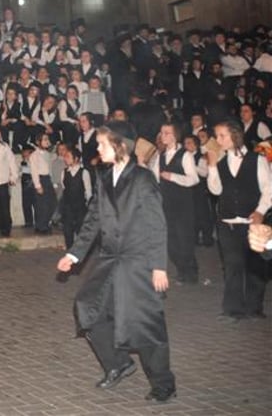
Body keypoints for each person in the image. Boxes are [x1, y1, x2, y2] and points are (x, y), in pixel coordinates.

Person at [56, 121, 176, 404]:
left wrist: (159, 266)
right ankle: (118, 363)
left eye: (102, 144)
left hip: (138, 262)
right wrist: (73, 254)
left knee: (145, 324)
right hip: (109, 259)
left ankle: (163, 384)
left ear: (119, 146)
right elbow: (93, 220)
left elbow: (157, 225)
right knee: (88, 308)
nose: (97, 148)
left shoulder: (143, 179)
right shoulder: (104, 177)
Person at [205, 119, 271, 322]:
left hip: (251, 223)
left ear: (235, 135)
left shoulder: (256, 159)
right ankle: (233, 310)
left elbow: (268, 189)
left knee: (254, 267)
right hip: (228, 222)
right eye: (217, 136)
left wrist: (260, 211)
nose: (218, 140)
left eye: (222, 135)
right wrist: (213, 166)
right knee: (233, 266)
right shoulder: (221, 160)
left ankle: (254, 308)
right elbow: (215, 190)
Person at [147, 122, 199, 283]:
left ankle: (190, 273)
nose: (163, 136)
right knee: (170, 241)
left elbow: (194, 179)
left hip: (182, 204)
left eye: (167, 133)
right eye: (162, 133)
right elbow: (154, 178)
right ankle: (181, 269)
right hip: (165, 204)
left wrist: (173, 177)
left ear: (175, 135)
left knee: (184, 239)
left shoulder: (185, 155)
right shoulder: (160, 155)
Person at [59, 144, 92, 251]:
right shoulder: (64, 172)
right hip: (68, 207)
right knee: (68, 231)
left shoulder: (84, 173)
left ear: (76, 158)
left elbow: (88, 192)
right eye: (65, 156)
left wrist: (87, 205)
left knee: (80, 230)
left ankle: (81, 253)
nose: (65, 158)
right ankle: (69, 251)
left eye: (68, 156)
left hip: (80, 207)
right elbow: (64, 188)